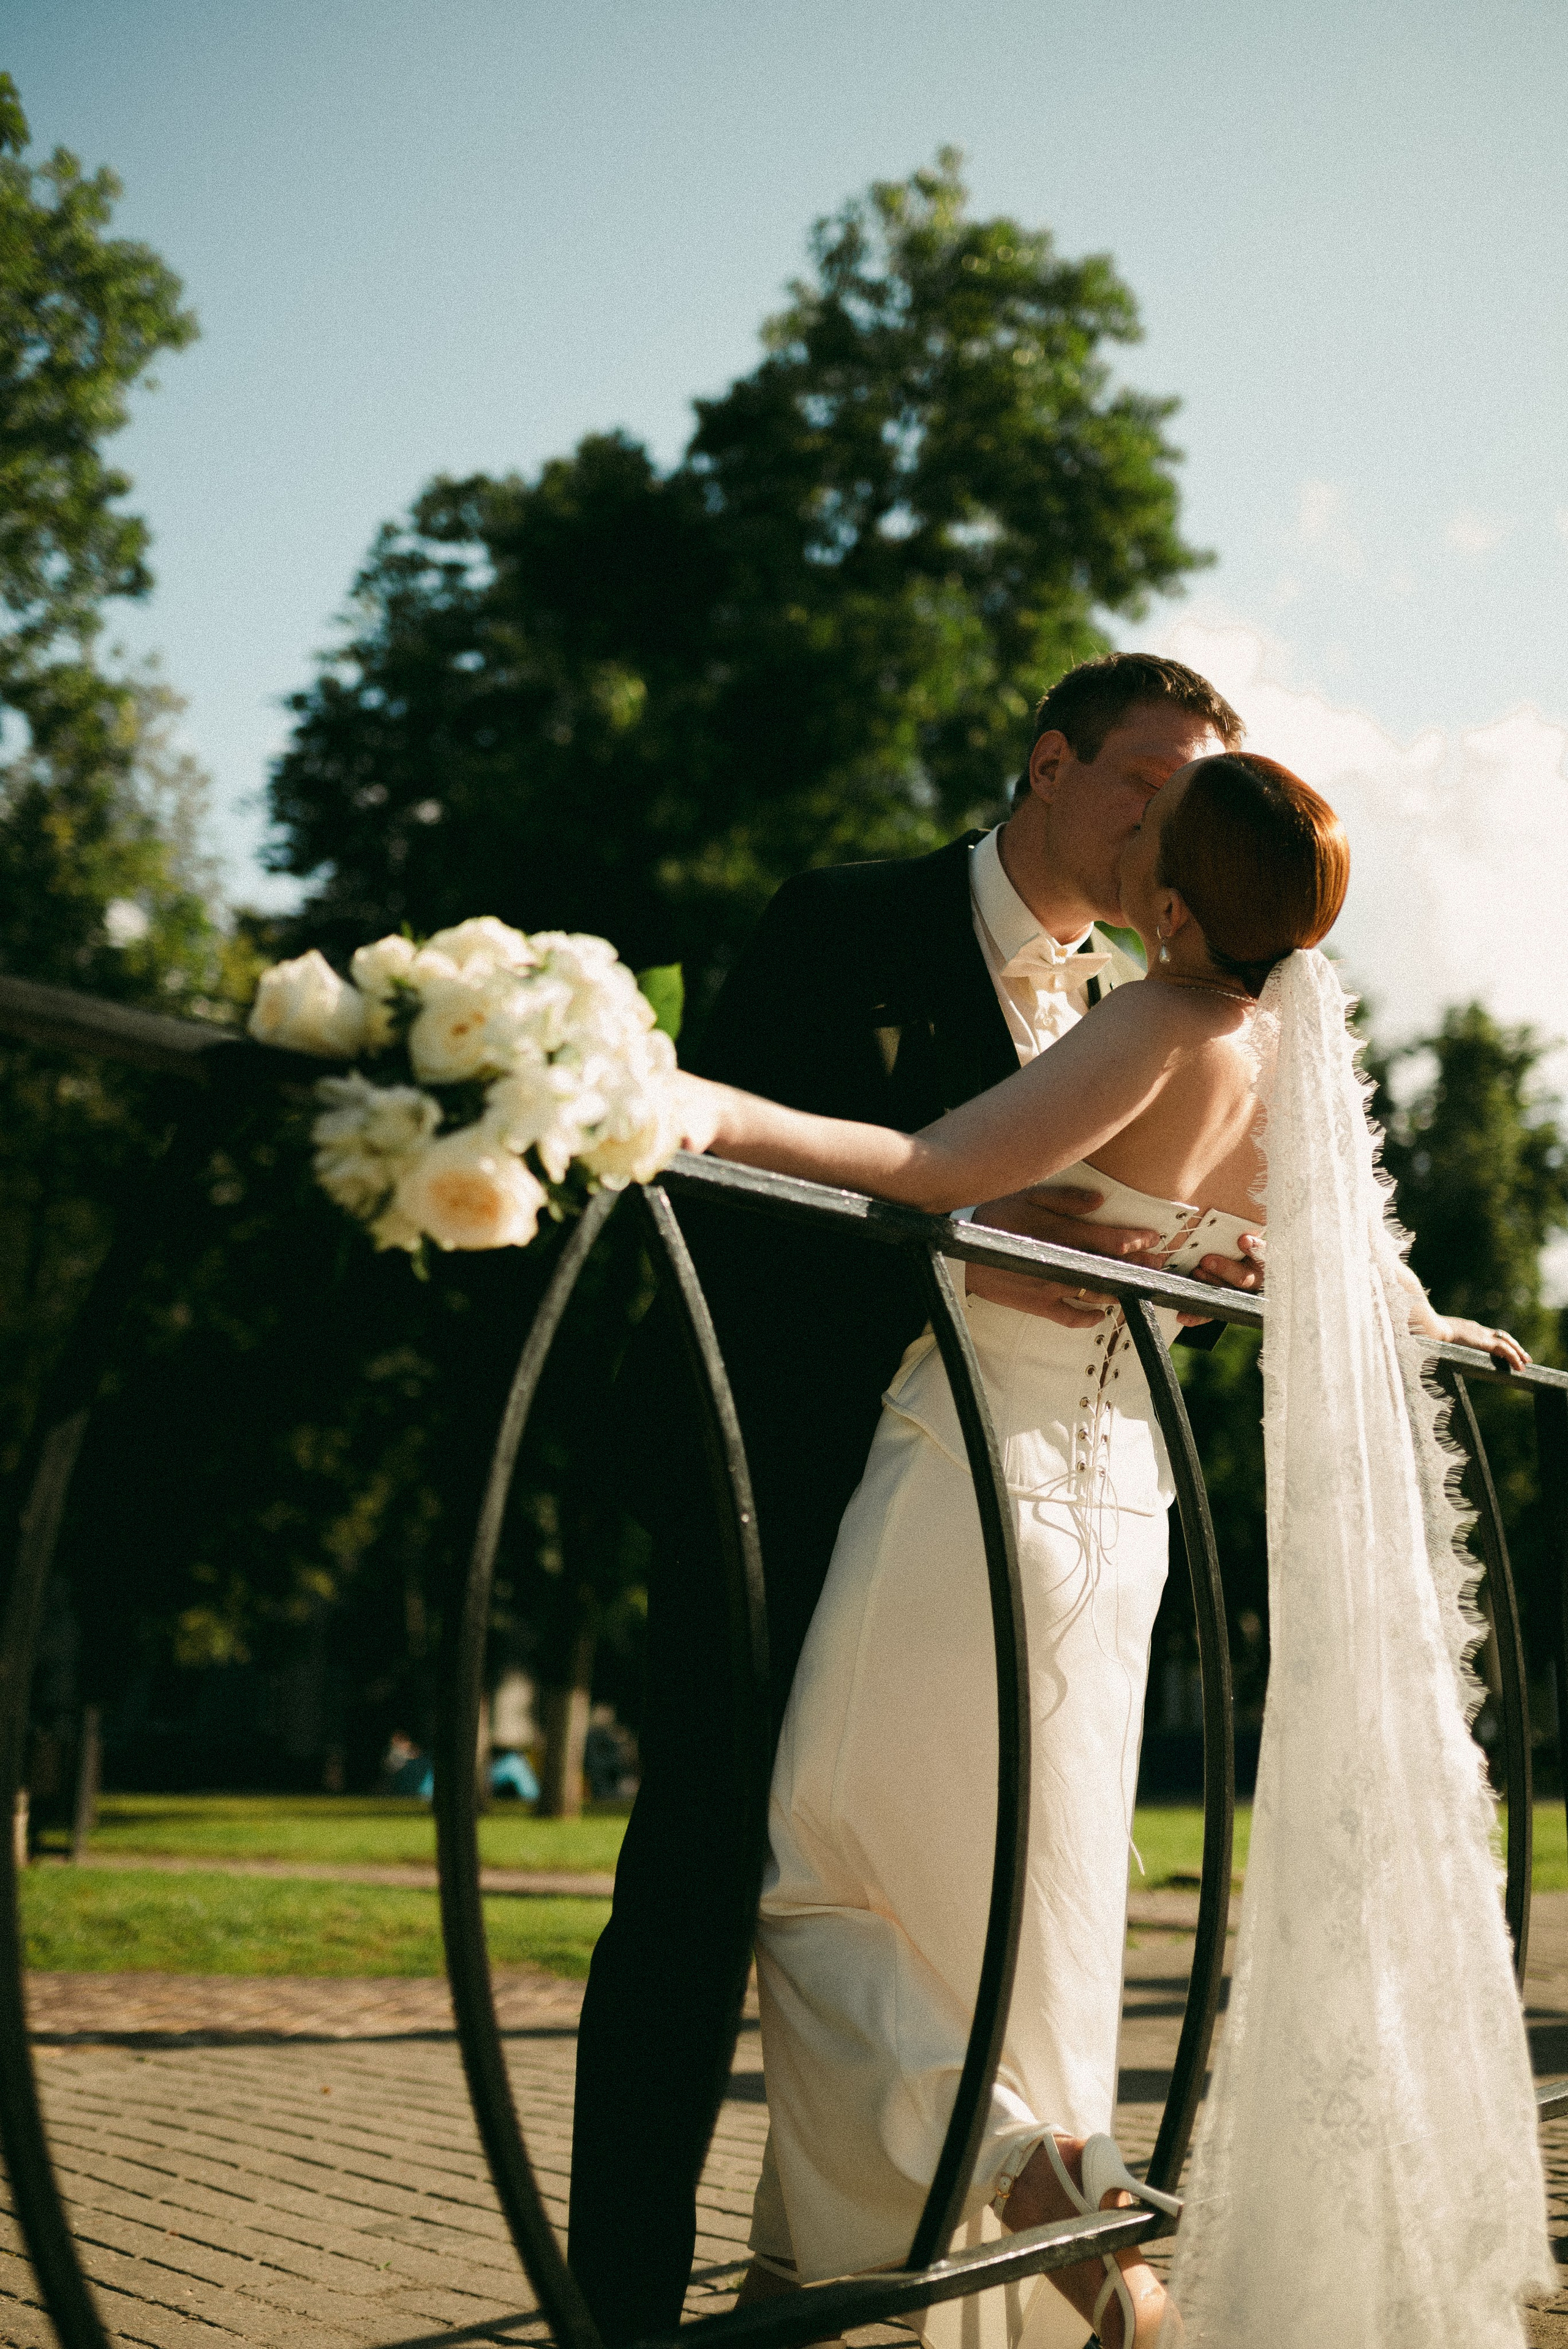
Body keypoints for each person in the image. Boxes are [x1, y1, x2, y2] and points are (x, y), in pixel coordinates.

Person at [680, 752, 1545, 2348]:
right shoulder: (1292, 1079)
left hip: (969, 1486)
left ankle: (1038, 2183)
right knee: (1012, 1926)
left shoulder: (1156, 1023)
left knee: (810, 1883)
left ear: (1168, 903)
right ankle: (811, 2290)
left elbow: (935, 1173)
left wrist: (701, 1109)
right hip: (1119, 1521)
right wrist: (1443, 1323)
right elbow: (1351, 1277)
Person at [567, 655, 1263, 2343]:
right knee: (693, 1890)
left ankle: (853, 2278)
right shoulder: (846, 917)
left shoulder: (1138, 999)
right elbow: (729, 1213)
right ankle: (622, 2309)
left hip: (983, 1503)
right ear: (1047, 762)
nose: (1166, 822)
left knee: (941, 1894)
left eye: (1194, 799)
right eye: (1141, 783)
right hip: (786, 1480)